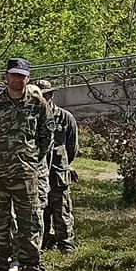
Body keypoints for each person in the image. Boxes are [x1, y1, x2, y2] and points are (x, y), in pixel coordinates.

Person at [0, 58, 53, 271]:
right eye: (13, 75)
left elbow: (46, 139)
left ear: (27, 79)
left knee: (30, 227)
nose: (17, 79)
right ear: (6, 77)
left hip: (25, 178)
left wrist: (28, 161)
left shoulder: (38, 105)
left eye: (21, 76)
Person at [37, 78, 80, 254]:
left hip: (58, 172)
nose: (42, 99)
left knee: (62, 209)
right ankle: (43, 240)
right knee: (40, 209)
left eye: (45, 95)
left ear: (51, 95)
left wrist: (63, 164)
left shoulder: (65, 117)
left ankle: (66, 244)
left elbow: (72, 146)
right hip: (38, 171)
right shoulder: (32, 116)